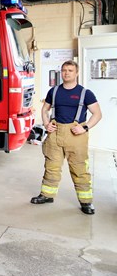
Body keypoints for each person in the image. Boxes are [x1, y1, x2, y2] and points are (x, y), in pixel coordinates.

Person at [30, 60, 102, 215]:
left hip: (75, 135)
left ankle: (86, 202)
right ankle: (47, 195)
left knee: (79, 168)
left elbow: (97, 114)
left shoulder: (85, 93)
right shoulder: (54, 91)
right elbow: (45, 109)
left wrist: (84, 127)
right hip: (55, 134)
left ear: (76, 73)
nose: (66, 73)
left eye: (70, 70)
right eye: (64, 70)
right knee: (51, 166)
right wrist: (46, 123)